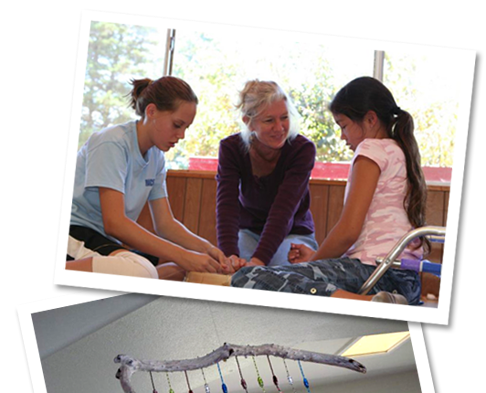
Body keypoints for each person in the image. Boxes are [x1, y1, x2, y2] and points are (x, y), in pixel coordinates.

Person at [232, 76, 430, 305]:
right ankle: (375, 301)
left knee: (246, 277)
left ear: (371, 119)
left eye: (343, 126)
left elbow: (348, 231)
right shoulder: (399, 151)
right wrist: (316, 261)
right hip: (406, 282)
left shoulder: (371, 149)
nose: (342, 136)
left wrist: (315, 261)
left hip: (374, 273)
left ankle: (369, 304)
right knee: (290, 277)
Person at [67, 76, 237, 279]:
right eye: (177, 125)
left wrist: (207, 249)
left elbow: (165, 224)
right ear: (151, 111)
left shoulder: (157, 157)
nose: (182, 135)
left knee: (181, 270)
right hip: (74, 232)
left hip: (103, 240)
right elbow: (115, 223)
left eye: (186, 128)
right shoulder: (112, 142)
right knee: (144, 270)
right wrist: (183, 254)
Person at [216, 80, 319, 268]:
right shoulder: (231, 148)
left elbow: (284, 211)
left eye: (284, 117)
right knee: (237, 272)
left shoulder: (302, 150)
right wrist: (230, 256)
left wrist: (258, 261)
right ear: (249, 122)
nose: (279, 127)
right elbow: (227, 207)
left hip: (293, 232)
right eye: (269, 120)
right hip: (249, 231)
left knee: (284, 273)